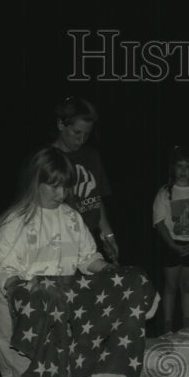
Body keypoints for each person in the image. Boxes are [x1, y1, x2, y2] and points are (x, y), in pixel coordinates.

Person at [0, 147, 111, 377]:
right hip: (19, 314)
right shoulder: (13, 223)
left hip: (57, 309)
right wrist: (20, 288)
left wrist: (105, 269)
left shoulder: (72, 219)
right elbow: (0, 268)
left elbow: (86, 256)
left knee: (56, 369)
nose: (61, 193)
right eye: (54, 186)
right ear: (35, 182)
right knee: (23, 376)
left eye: (65, 186)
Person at [52, 96, 118, 263]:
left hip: (90, 241)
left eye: (86, 135)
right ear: (61, 124)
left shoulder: (91, 156)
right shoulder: (47, 161)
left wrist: (108, 234)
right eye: (76, 132)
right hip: (60, 243)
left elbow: (96, 198)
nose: (80, 140)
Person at [153, 146, 189, 332]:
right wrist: (172, 245)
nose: (183, 171)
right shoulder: (164, 192)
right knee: (170, 286)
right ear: (173, 168)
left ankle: (187, 325)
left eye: (187, 166)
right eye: (180, 166)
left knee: (187, 286)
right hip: (171, 244)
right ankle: (168, 326)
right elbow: (160, 222)